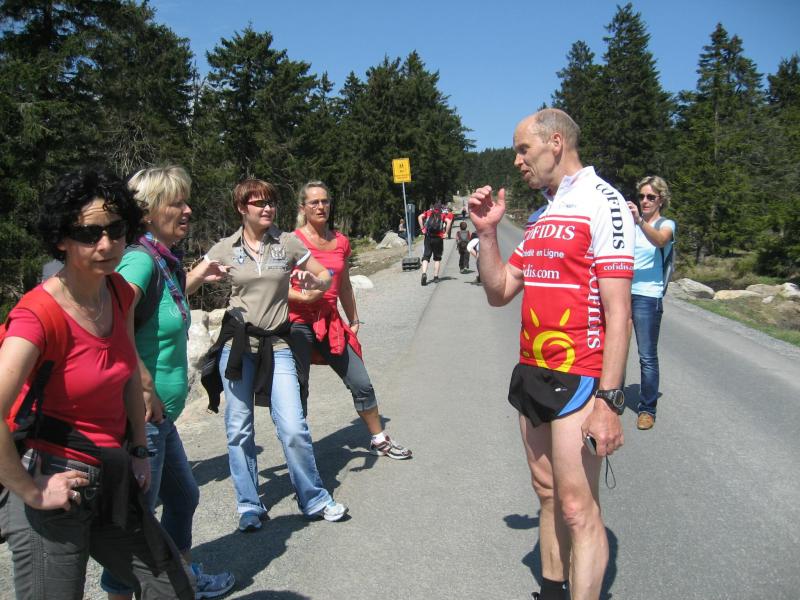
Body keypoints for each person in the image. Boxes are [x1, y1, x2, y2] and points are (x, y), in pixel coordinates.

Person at [0, 169, 193, 600]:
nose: (106, 244)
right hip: (54, 476)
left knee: (172, 588)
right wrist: (32, 491)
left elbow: (127, 370)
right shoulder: (37, 316)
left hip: (111, 473)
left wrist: (140, 449)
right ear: (61, 240)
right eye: (89, 234)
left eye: (115, 230)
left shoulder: (117, 291)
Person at [469, 108, 634, 600]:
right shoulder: (544, 214)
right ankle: (552, 590)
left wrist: (609, 401)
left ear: (555, 142)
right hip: (533, 371)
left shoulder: (602, 201)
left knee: (577, 509)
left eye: (524, 149)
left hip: (580, 374)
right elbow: (500, 291)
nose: (517, 160)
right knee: (546, 494)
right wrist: (486, 234)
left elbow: (619, 313)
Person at [101, 166, 234, 599]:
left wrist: (196, 278)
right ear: (148, 212)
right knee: (136, 523)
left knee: (183, 498)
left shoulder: (161, 258)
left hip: (163, 418)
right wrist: (144, 384)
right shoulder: (140, 260)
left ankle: (182, 579)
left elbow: (161, 311)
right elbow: (114, 317)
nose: (187, 209)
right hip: (142, 419)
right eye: (177, 203)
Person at [199, 179, 347, 532]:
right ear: (242, 208)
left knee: (293, 426)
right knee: (239, 428)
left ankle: (313, 497)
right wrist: (196, 279)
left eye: (271, 202)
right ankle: (249, 505)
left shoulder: (287, 242)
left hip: (278, 343)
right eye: (259, 203)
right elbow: (188, 281)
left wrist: (317, 284)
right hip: (238, 346)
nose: (267, 208)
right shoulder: (225, 248)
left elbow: (325, 276)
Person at [288, 181, 412, 460]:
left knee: (361, 382)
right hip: (297, 323)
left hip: (331, 321)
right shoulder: (291, 241)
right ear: (303, 208)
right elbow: (278, 283)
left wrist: (353, 319)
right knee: (298, 389)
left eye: (325, 201)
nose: (321, 206)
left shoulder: (341, 242)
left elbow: (343, 285)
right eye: (314, 202)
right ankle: (300, 452)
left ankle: (379, 439)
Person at [626, 176, 676, 431]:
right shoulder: (630, 224)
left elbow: (660, 240)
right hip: (622, 293)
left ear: (661, 200)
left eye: (650, 197)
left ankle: (647, 408)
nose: (644, 201)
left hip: (648, 295)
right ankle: (611, 396)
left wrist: (639, 221)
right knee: (614, 348)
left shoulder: (665, 224)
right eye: (641, 196)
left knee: (646, 356)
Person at [417, 203, 448, 285]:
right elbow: (449, 221)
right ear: (441, 208)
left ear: (433, 208)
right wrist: (446, 233)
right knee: (437, 258)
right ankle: (436, 277)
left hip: (428, 237)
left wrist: (422, 228)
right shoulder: (442, 215)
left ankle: (424, 273)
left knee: (426, 257)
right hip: (438, 238)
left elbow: (419, 217)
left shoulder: (428, 212)